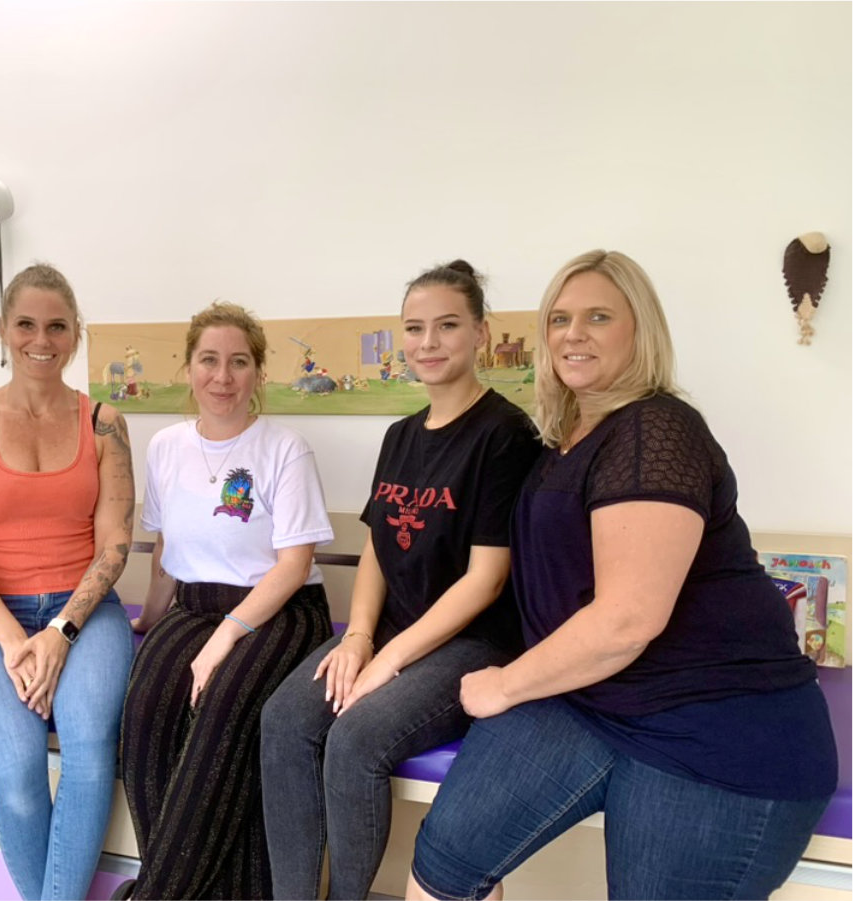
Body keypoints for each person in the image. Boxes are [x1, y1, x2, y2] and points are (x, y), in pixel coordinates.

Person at [408, 251, 839, 901]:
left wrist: (503, 683)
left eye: (599, 317)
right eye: (559, 318)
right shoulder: (565, 438)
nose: (573, 333)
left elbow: (626, 620)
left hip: (712, 727)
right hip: (588, 700)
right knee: (443, 868)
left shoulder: (655, 429)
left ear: (640, 330)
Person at [260, 260, 541, 899]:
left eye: (448, 325)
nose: (428, 342)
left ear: (481, 333)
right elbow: (378, 550)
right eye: (415, 328)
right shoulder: (400, 436)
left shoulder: (505, 434)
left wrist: (386, 661)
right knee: (284, 721)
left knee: (355, 738)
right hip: (391, 630)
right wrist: (359, 638)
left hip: (472, 642)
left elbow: (486, 580)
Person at [119, 302, 335, 900]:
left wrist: (224, 638)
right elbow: (166, 548)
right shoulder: (165, 446)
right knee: (144, 716)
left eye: (238, 362)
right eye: (209, 360)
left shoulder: (285, 448)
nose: (222, 376)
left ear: (258, 372)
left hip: (281, 611)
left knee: (220, 716)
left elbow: (294, 566)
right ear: (188, 367)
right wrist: (151, 619)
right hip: (194, 608)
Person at [0, 263, 135, 901]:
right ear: (3, 329)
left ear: (76, 333)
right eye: (25, 324)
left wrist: (59, 633)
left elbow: (115, 545)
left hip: (87, 615)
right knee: (19, 773)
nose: (40, 340)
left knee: (89, 757)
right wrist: (15, 642)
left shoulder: (105, 423)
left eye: (56, 326)